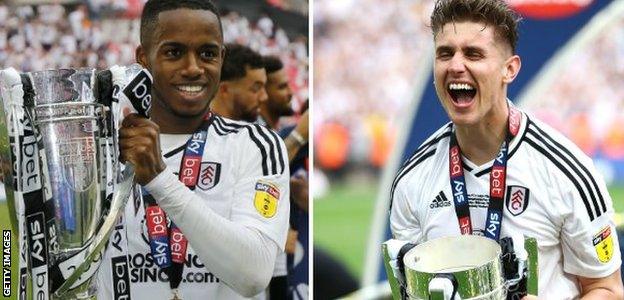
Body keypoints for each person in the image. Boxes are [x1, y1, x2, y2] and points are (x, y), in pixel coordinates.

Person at [389, 0, 623, 298]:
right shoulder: (412, 179)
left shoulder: (567, 171)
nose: (456, 66)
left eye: (473, 54)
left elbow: (608, 289)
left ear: (509, 69)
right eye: (445, 53)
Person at [96, 1, 290, 299]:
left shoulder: (256, 144)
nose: (193, 68)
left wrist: (160, 180)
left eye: (207, 54)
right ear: (144, 58)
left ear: (222, 58)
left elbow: (253, 274)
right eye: (174, 52)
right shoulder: (104, 148)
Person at [210, 43, 268, 123]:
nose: (264, 97)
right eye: (256, 89)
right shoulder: (194, 131)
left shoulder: (256, 130)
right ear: (224, 90)